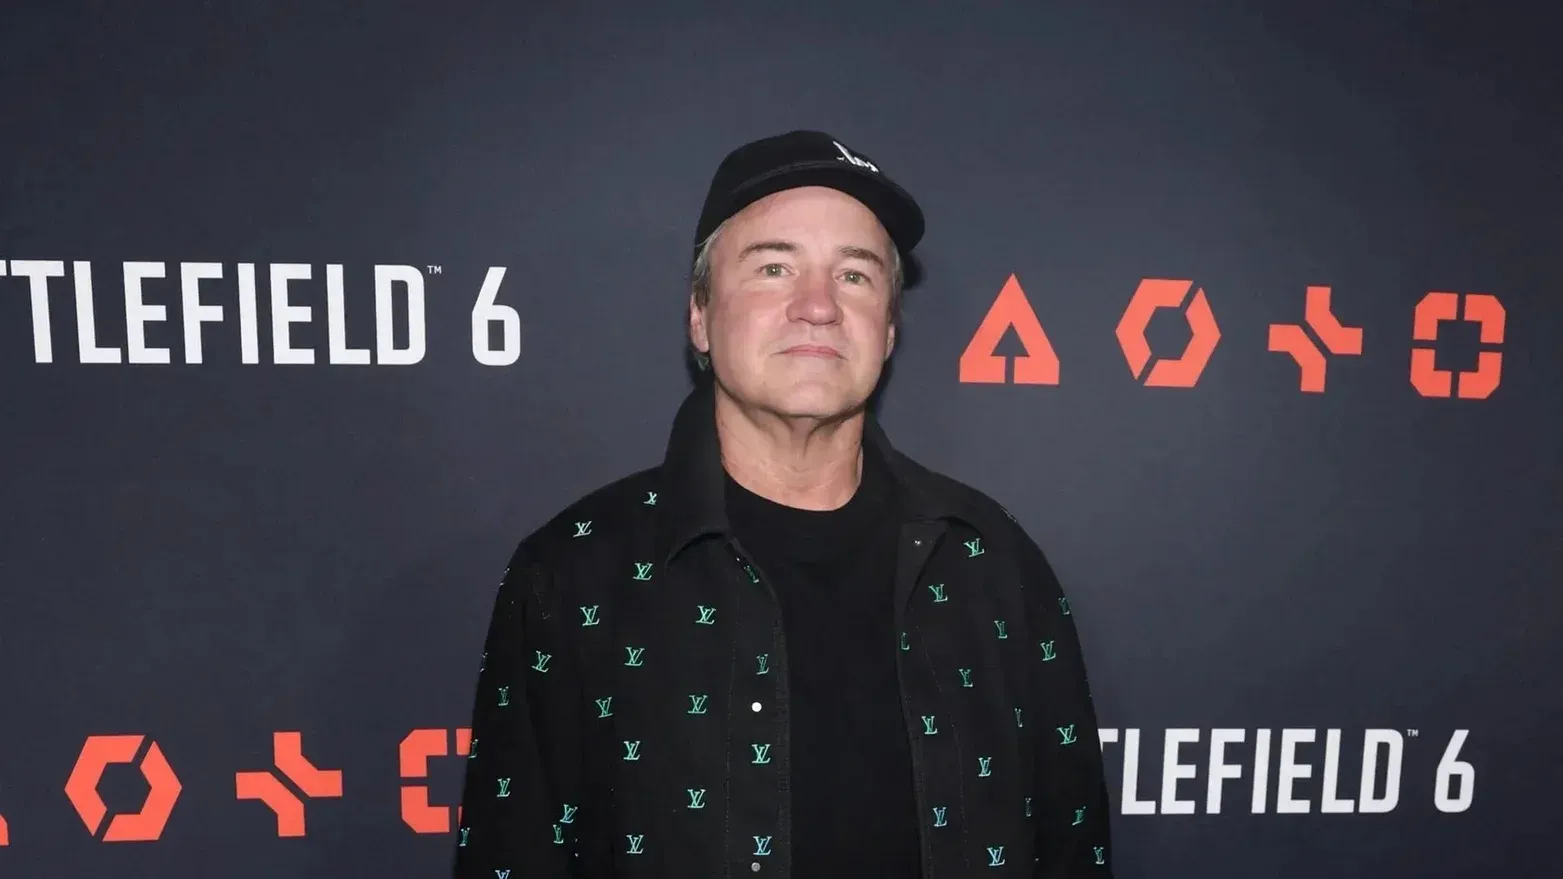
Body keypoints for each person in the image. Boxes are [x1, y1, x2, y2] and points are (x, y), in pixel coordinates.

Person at [453, 130, 1114, 878]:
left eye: (854, 275)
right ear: (700, 315)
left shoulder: (990, 560)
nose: (818, 306)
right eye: (774, 267)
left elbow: (1072, 849)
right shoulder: (575, 574)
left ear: (888, 328)